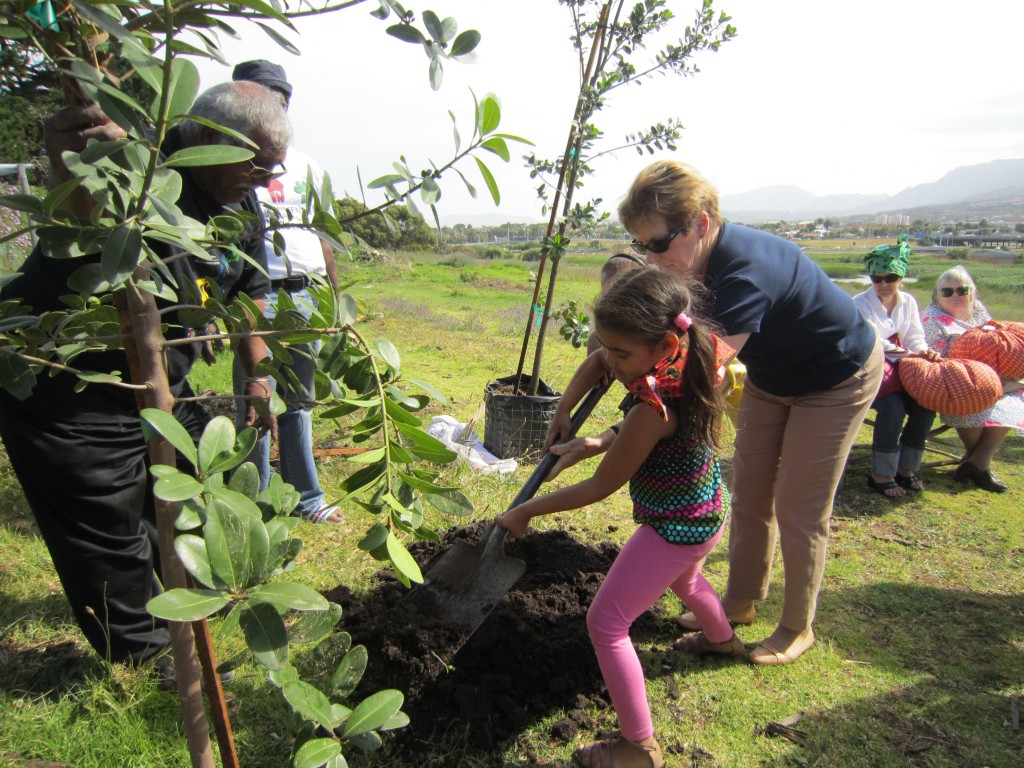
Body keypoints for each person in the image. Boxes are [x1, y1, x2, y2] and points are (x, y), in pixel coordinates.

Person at [545, 160, 883, 666]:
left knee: (798, 505)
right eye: (641, 246)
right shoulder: (688, 265)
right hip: (773, 376)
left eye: (658, 244)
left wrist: (606, 438)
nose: (651, 258)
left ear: (700, 223)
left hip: (834, 376)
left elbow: (680, 388)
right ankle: (739, 602)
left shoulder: (746, 273)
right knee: (749, 490)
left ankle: (797, 626)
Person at [0, 81, 288, 667]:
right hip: (68, 387)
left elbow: (248, 292)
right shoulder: (137, 174)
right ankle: (148, 664)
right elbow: (81, 224)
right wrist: (77, 171)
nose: (262, 182)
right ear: (209, 137)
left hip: (159, 390)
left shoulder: (239, 197)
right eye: (256, 167)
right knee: (106, 531)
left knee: (193, 494)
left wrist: (260, 376)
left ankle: (186, 606)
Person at [498, 269, 738, 768]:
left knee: (606, 622)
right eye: (607, 346)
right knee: (689, 581)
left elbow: (600, 486)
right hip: (708, 509)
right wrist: (566, 412)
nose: (610, 361)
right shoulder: (688, 356)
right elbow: (594, 364)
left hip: (674, 527)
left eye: (620, 353)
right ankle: (722, 640)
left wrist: (525, 510)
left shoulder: (653, 406)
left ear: (664, 341)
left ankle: (638, 747)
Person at [230, 59, 343, 524]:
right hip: (257, 295)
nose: (274, 107)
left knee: (300, 401)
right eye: (261, 97)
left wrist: (334, 295)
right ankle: (252, 501)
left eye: (280, 99)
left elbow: (324, 233)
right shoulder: (230, 164)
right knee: (257, 400)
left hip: (305, 295)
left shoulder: (308, 165)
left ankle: (306, 498)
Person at [921, 266, 1024, 492]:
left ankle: (975, 461)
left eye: (961, 290)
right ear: (937, 296)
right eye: (947, 291)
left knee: (1015, 399)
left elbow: (997, 343)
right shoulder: (931, 320)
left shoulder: (977, 311)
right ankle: (978, 463)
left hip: (992, 379)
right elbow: (930, 362)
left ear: (972, 292)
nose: (955, 295)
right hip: (953, 384)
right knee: (973, 403)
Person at [852, 236, 939, 498]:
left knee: (925, 406)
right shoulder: (860, 303)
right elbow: (872, 341)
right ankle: (881, 473)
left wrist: (922, 351)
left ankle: (907, 468)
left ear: (900, 276)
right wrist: (909, 354)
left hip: (904, 367)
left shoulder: (909, 302)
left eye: (889, 277)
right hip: (872, 367)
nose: (883, 284)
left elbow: (914, 334)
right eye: (876, 278)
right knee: (892, 407)